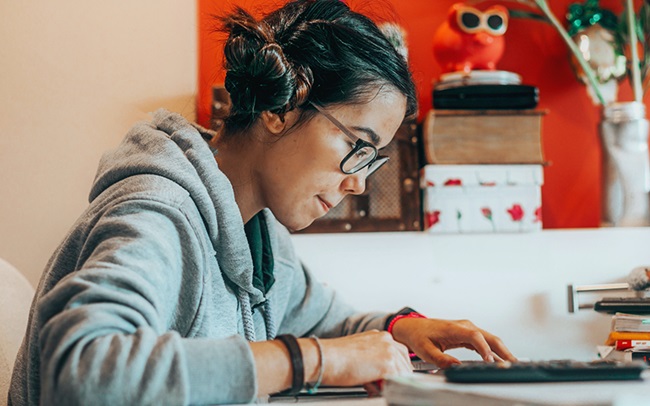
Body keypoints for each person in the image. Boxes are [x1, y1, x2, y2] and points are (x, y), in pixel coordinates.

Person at [9, 1, 516, 405]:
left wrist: (402, 329)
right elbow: (81, 371)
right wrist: (314, 361)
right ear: (282, 107)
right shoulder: (155, 214)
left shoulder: (261, 235)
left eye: (372, 160)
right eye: (356, 147)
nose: (359, 184)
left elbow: (328, 325)